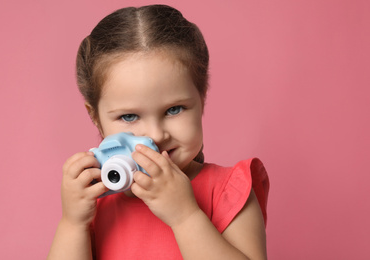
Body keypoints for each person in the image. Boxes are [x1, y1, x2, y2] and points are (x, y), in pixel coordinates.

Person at [48, 4, 269, 260]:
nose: (155, 134)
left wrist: (185, 216)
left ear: (202, 99)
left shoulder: (229, 190)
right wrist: (72, 224)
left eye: (174, 109)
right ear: (95, 118)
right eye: (129, 116)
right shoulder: (93, 202)